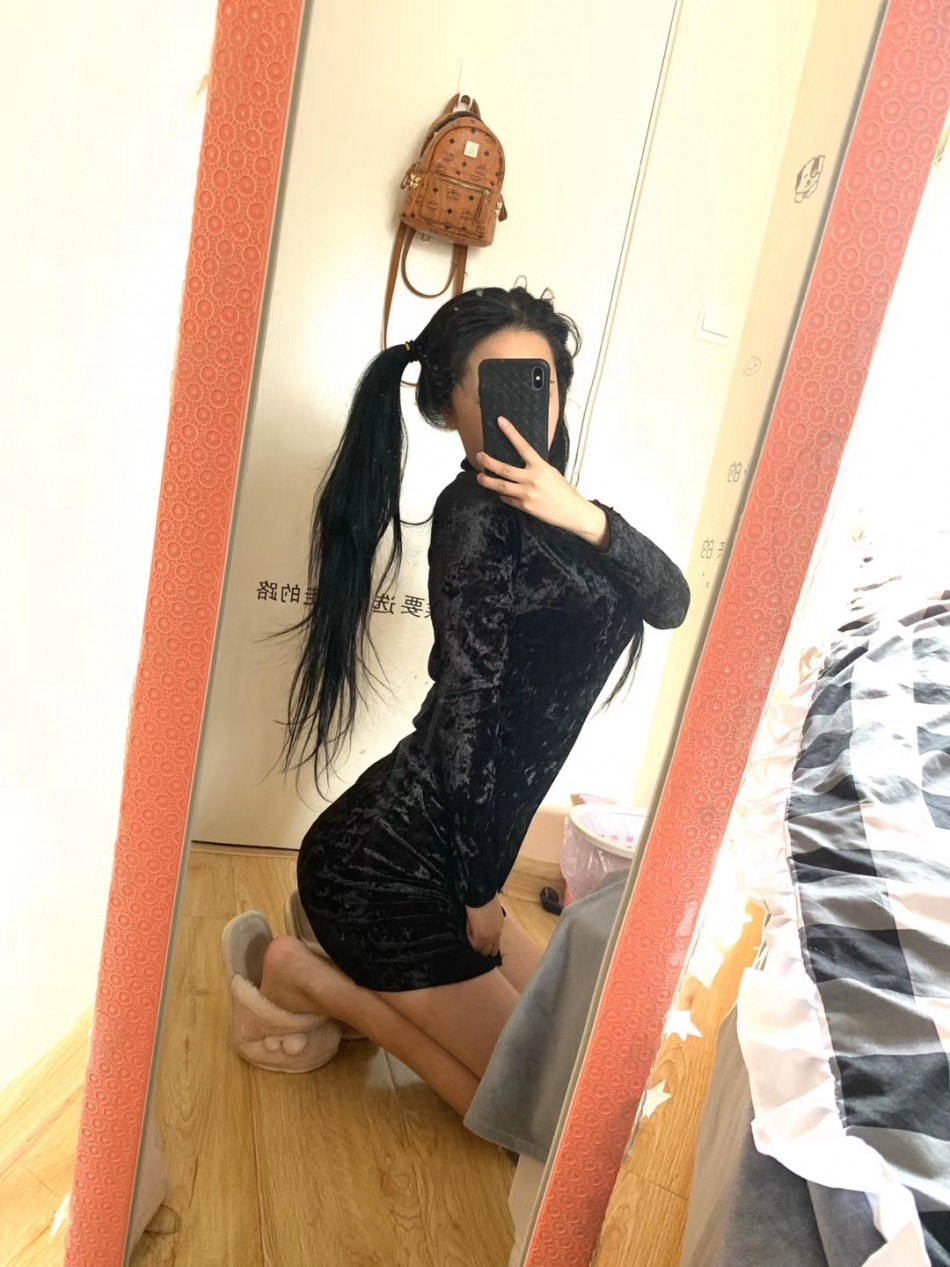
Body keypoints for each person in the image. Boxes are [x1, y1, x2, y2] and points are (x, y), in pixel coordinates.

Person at [223, 286, 689, 1116]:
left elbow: (672, 600)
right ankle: (313, 978)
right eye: (497, 381)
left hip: (458, 849)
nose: (525, 402)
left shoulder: (571, 519)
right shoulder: (472, 513)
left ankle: (334, 960)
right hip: (385, 864)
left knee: (572, 1048)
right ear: (447, 404)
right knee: (531, 1109)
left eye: (541, 380)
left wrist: (585, 514)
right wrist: (480, 894)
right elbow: (472, 708)